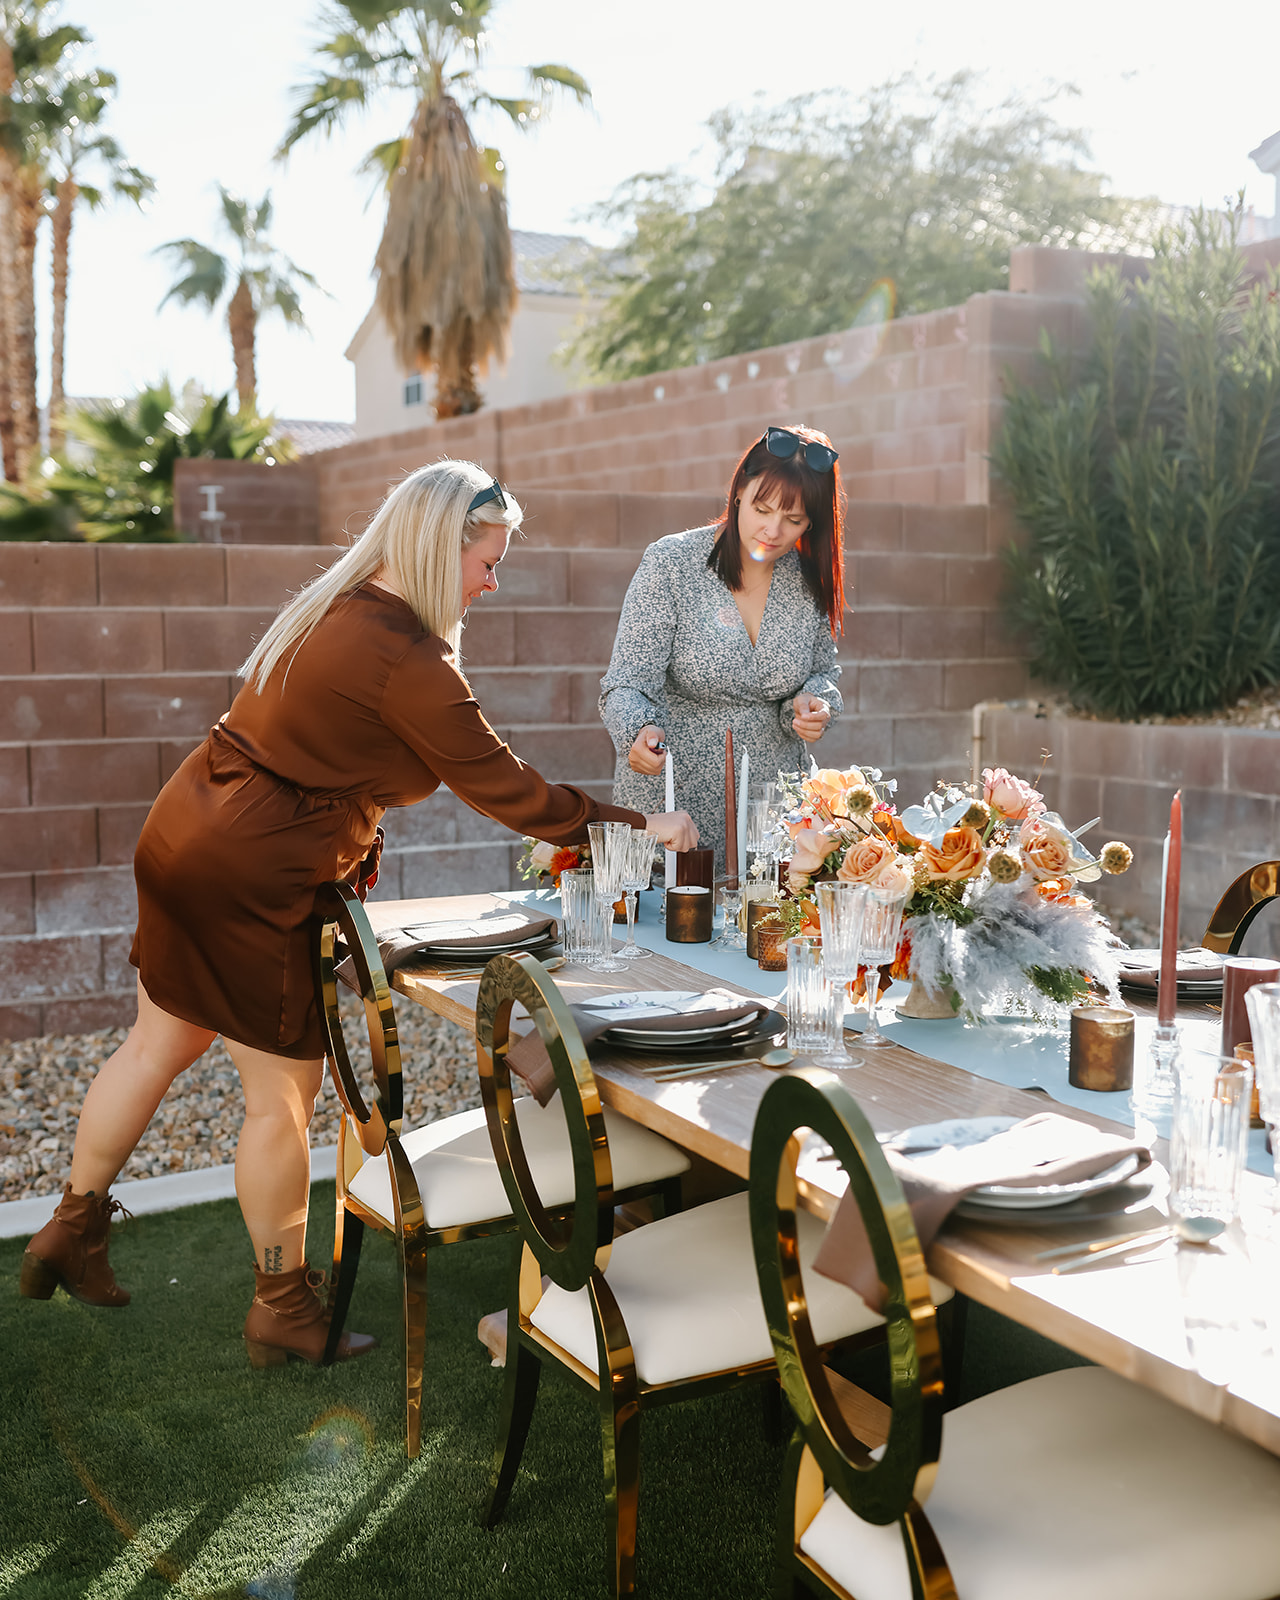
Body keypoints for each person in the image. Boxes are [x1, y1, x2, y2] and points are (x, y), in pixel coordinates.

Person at [19, 459, 697, 1365]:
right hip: (253, 876)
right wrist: (642, 824)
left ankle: (67, 1228)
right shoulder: (407, 660)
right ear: (439, 545)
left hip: (189, 831)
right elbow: (511, 792)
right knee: (280, 1102)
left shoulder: (338, 604)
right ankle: (281, 1305)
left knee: (157, 1044)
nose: (491, 583)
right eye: (487, 562)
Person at [601, 425, 845, 872]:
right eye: (762, 508)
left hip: (773, 815)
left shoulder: (807, 578)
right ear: (738, 493)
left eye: (794, 520)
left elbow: (822, 673)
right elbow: (626, 684)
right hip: (674, 806)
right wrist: (635, 731)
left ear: (812, 522)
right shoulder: (671, 563)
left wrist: (813, 704)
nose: (773, 530)